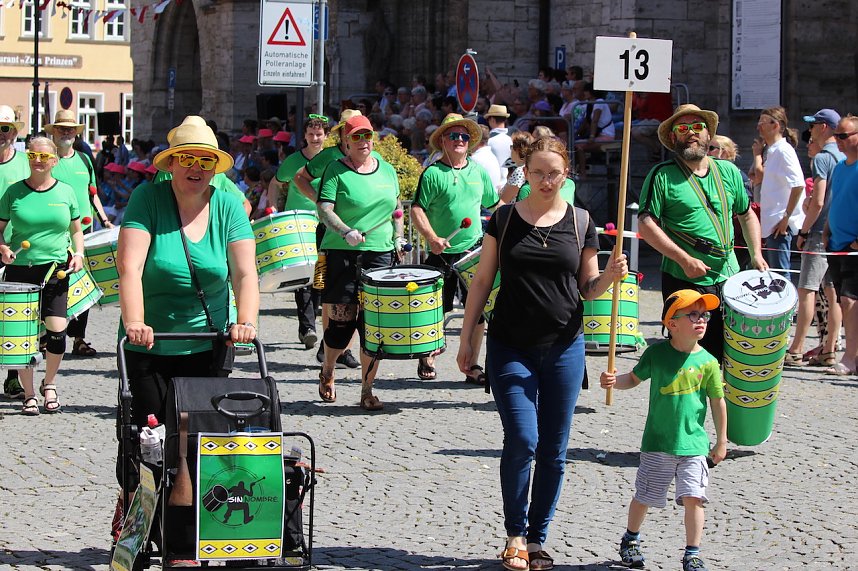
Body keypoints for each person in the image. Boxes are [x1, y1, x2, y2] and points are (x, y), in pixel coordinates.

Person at [456, 136, 627, 571]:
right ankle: (514, 533)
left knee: (554, 449)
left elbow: (588, 290)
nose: (546, 180)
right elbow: (482, 281)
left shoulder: (581, 221)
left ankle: (536, 539)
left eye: (554, 173)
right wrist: (466, 339)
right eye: (538, 173)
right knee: (523, 438)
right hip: (510, 344)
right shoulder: (505, 218)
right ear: (524, 173)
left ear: (565, 173)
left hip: (564, 347)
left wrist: (609, 275)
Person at [115, 115, 258, 565]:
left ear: (215, 166)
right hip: (151, 344)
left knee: (195, 444)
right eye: (186, 159)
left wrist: (246, 321)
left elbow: (245, 272)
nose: (196, 167)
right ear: (171, 164)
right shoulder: (148, 198)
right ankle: (136, 513)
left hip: (209, 341)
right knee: (151, 444)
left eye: (205, 160)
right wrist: (135, 321)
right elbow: (130, 267)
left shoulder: (229, 205)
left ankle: (182, 545)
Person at [600, 289, 727, 571]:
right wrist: (612, 381)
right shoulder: (656, 354)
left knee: (695, 498)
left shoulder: (708, 362)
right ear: (672, 323)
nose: (701, 320)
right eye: (692, 314)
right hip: (658, 442)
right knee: (645, 496)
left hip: (694, 445)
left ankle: (692, 552)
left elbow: (718, 402)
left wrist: (721, 442)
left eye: (704, 314)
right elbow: (633, 378)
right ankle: (631, 539)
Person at [638, 104, 767, 363]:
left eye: (697, 127)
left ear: (708, 134)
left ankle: (721, 404)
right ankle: (688, 404)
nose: (691, 133)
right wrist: (684, 259)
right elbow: (645, 223)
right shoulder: (661, 175)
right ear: (674, 137)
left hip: (729, 277)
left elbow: (746, 214)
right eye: (683, 128)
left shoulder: (728, 171)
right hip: (684, 279)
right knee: (689, 357)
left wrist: (756, 255)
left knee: (728, 355)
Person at [315, 114, 405, 411]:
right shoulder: (335, 170)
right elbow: (324, 209)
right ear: (345, 141)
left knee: (374, 325)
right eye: (356, 137)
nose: (363, 142)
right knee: (342, 322)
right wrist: (345, 231)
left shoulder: (387, 170)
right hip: (342, 252)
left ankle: (367, 389)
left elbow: (397, 209)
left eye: (367, 136)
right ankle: (329, 369)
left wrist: (400, 238)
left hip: (379, 253)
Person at [411, 114, 499, 384]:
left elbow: (494, 207)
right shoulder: (433, 173)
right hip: (440, 252)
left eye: (464, 137)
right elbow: (416, 209)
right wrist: (432, 237)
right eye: (454, 136)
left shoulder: (478, 172)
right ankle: (428, 356)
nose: (460, 140)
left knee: (480, 310)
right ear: (443, 142)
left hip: (473, 251)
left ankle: (472, 366)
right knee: (435, 309)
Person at [0, 136, 85, 415]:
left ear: (54, 161)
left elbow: (75, 231)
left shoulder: (66, 192)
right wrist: (2, 247)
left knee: (57, 333)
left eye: (45, 157)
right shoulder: (13, 192)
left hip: (56, 270)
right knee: (24, 336)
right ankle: (28, 393)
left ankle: (49, 384)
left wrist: (79, 254)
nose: (38, 161)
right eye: (33, 156)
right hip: (19, 271)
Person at [293, 109, 376, 369]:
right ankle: (329, 346)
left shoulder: (373, 160)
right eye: (351, 131)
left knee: (359, 299)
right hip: (333, 235)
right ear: (342, 134)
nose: (358, 136)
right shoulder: (329, 157)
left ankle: (344, 349)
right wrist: (319, 202)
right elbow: (299, 178)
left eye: (364, 132)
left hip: (365, 240)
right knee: (332, 295)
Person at [45, 110, 114, 357]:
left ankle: (79, 338)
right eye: (61, 128)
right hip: (54, 231)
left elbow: (92, 194)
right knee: (52, 284)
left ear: (76, 133)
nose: (66, 132)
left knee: (81, 284)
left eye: (70, 129)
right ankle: (49, 335)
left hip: (82, 232)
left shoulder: (85, 160)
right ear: (53, 132)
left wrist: (104, 220)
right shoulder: (47, 160)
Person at [785, 109, 846, 367]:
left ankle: (796, 348)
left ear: (823, 127)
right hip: (838, 234)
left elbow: (818, 200)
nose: (810, 131)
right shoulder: (844, 156)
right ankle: (829, 348)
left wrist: (804, 230)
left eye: (813, 126)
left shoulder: (822, 157)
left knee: (806, 289)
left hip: (819, 232)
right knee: (833, 294)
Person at [269, 114, 329, 349]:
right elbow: (275, 183)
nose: (315, 138)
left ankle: (311, 318)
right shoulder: (294, 161)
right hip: (298, 224)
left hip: (325, 224)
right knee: (303, 275)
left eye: (319, 134)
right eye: (311, 134)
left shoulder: (332, 160)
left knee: (320, 275)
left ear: (326, 136)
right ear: (304, 136)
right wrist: (273, 208)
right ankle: (307, 327)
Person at [823, 115, 858, 376]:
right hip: (836, 243)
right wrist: (826, 228)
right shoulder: (840, 167)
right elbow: (835, 201)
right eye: (837, 136)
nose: (838, 141)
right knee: (844, 300)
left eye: (844, 136)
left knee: (849, 300)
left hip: (853, 246)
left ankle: (850, 356)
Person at [752, 106, 805, 278]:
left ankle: (789, 306)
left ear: (775, 125)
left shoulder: (784, 150)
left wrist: (786, 217)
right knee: (775, 275)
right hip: (771, 223)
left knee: (781, 276)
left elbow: (798, 184)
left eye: (763, 122)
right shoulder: (773, 151)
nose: (758, 126)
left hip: (779, 224)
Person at [0, 104, 30, 399]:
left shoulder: (24, 163)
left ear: (13, 132)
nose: (0, 134)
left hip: (17, 249)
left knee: (15, 317)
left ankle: (13, 377)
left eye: (5, 128)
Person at [498, 131, 534, 204]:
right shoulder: (527, 167)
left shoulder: (520, 172)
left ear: (518, 150)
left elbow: (503, 201)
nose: (510, 149)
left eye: (512, 147)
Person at [485, 105, 513, 187]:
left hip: (492, 184)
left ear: (492, 120)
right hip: (508, 185)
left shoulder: (489, 141)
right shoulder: (511, 140)